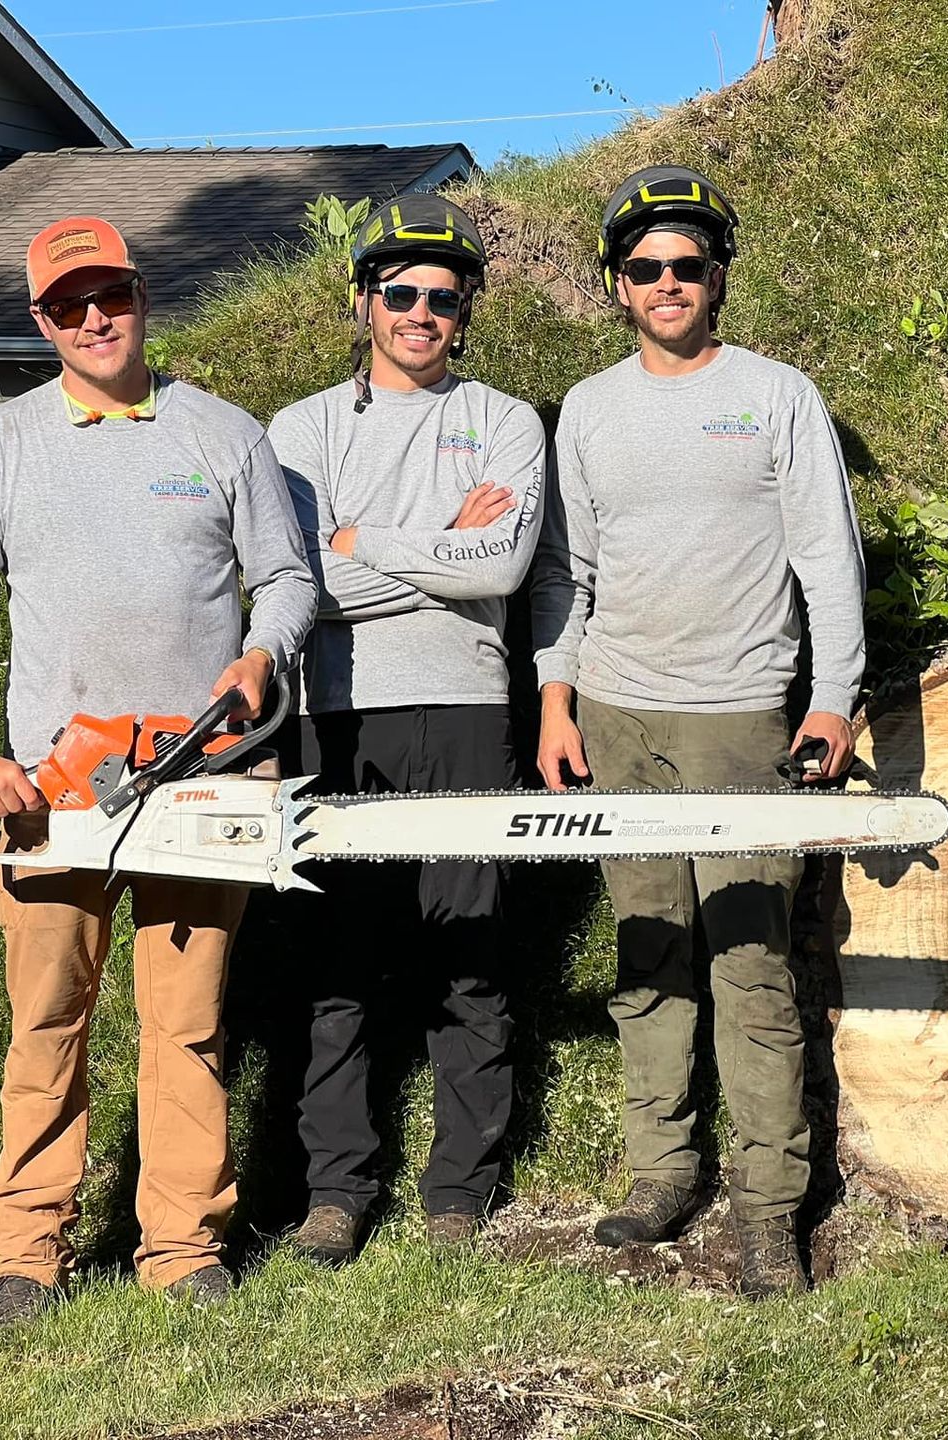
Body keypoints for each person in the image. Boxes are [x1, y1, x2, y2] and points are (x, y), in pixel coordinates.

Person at [0, 216, 316, 1330]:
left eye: (113, 298)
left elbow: (286, 580)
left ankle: (183, 1244)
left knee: (187, 1024)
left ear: (143, 298)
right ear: (41, 320)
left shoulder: (224, 434)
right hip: (56, 789)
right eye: (69, 305)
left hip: (202, 780)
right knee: (47, 1024)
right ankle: (28, 1256)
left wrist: (261, 649)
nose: (96, 321)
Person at [531, 165, 866, 1298]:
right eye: (644, 270)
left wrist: (832, 696)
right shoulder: (587, 407)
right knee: (649, 953)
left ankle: (771, 1207)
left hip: (741, 718)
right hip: (619, 713)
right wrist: (557, 697)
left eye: (687, 266)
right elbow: (568, 573)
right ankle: (660, 1171)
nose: (666, 284)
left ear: (717, 278)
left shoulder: (777, 394)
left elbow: (828, 557)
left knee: (751, 965)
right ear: (619, 288)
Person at [265, 191, 545, 1265]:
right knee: (341, 959)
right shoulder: (301, 429)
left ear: (466, 306)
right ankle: (337, 1188)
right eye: (400, 292)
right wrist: (435, 547)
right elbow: (302, 585)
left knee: (470, 956)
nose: (420, 311)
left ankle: (459, 1190)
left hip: (471, 706)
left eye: (442, 294)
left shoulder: (508, 421)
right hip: (338, 713)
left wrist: (360, 537)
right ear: (364, 300)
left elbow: (506, 567)